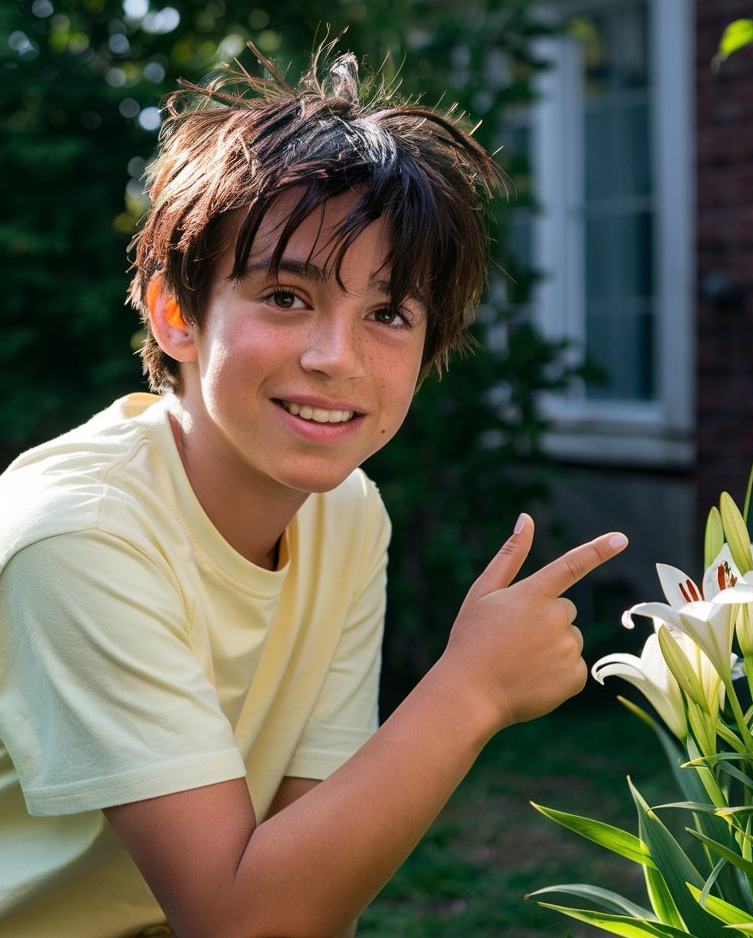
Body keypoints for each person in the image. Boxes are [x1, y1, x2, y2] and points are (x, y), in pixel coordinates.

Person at [0, 38, 627, 938]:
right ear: (176, 312)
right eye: (287, 298)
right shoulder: (82, 536)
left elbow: (305, 880)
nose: (337, 360)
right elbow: (240, 920)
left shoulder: (343, 509)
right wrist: (471, 690)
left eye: (386, 314)